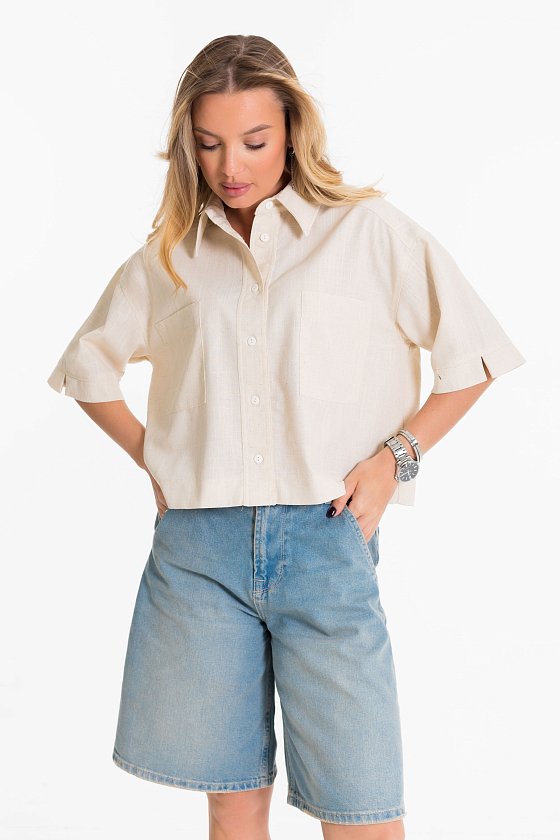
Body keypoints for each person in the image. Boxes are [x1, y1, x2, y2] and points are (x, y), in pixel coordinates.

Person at [46, 34, 526, 840]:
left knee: (361, 809)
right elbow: (87, 367)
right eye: (208, 143)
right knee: (234, 802)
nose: (230, 165)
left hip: (327, 539)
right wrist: (152, 455)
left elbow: (472, 357)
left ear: (293, 131)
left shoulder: (367, 232)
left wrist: (395, 459)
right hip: (198, 554)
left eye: (254, 141)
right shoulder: (171, 255)